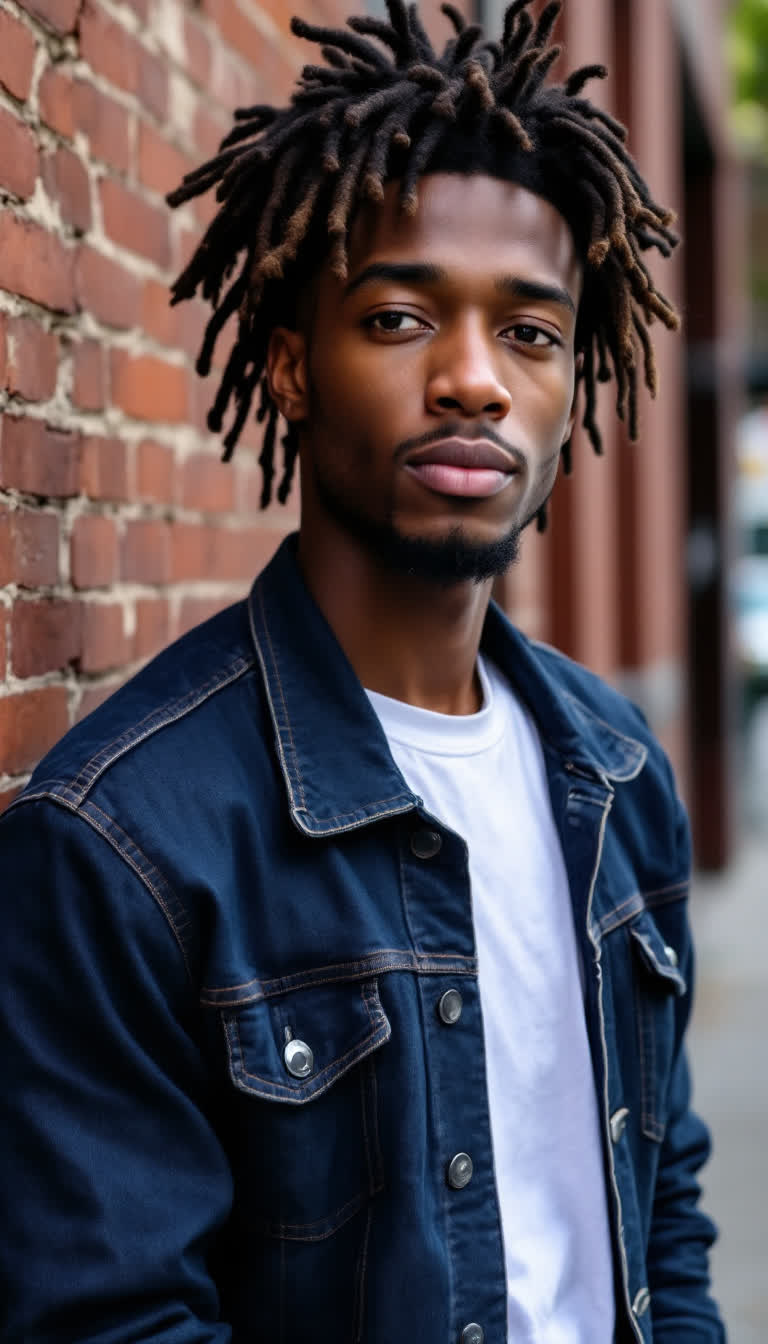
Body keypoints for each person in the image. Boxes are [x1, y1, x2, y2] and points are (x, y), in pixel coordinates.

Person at [0, 2, 724, 1341]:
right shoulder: (121, 847)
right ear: (290, 364)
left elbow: (661, 1209)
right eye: (399, 320)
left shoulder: (620, 773)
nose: (474, 382)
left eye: (533, 334)